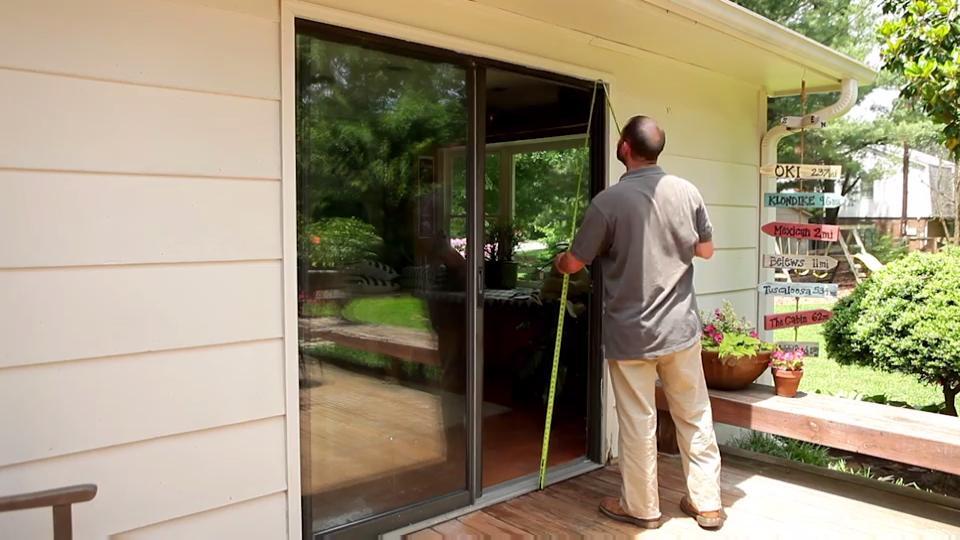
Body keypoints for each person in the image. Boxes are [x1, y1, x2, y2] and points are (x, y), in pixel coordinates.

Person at [555, 116, 724, 530]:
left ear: (625, 148)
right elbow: (706, 251)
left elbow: (575, 262)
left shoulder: (607, 202)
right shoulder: (687, 191)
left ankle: (642, 508)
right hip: (680, 330)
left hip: (631, 336)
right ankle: (708, 505)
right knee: (694, 414)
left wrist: (561, 262)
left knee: (637, 421)